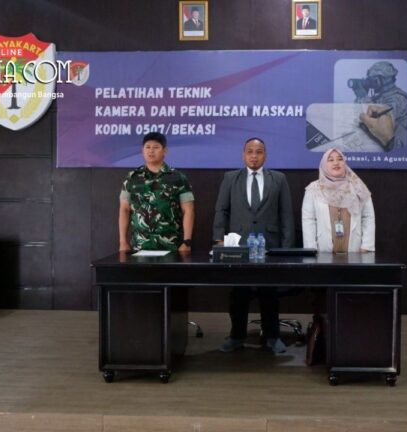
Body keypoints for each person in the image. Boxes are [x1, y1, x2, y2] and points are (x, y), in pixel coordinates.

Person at [213, 137, 294, 354]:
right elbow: (221, 210)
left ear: (265, 155)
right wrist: (219, 240)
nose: (254, 156)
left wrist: (286, 250)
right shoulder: (231, 178)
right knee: (239, 293)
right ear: (243, 155)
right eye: (250, 151)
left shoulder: (279, 179)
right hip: (238, 246)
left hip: (270, 245)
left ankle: (273, 337)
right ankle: (236, 336)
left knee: (269, 293)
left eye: (259, 152)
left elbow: (286, 215)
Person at [118, 132, 195, 252]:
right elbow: (124, 210)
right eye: (147, 147)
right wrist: (123, 242)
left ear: (165, 151)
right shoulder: (132, 178)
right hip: (140, 246)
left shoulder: (178, 178)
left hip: (171, 245)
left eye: (156, 147)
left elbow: (188, 210)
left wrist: (187, 242)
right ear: (142, 150)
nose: (151, 151)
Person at [302, 148, 375, 253]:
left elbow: (368, 217)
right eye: (330, 160)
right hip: (323, 253)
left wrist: (367, 246)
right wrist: (310, 249)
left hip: (354, 252)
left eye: (340, 159)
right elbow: (308, 220)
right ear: (324, 164)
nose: (336, 163)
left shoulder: (358, 186)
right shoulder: (313, 189)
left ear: (344, 162)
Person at [354, 61, 407, 151]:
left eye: (373, 80)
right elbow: (359, 116)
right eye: (368, 80)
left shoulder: (398, 98)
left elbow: (377, 120)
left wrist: (363, 97)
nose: (369, 83)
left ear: (383, 80)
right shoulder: (379, 97)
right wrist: (359, 96)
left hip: (395, 149)